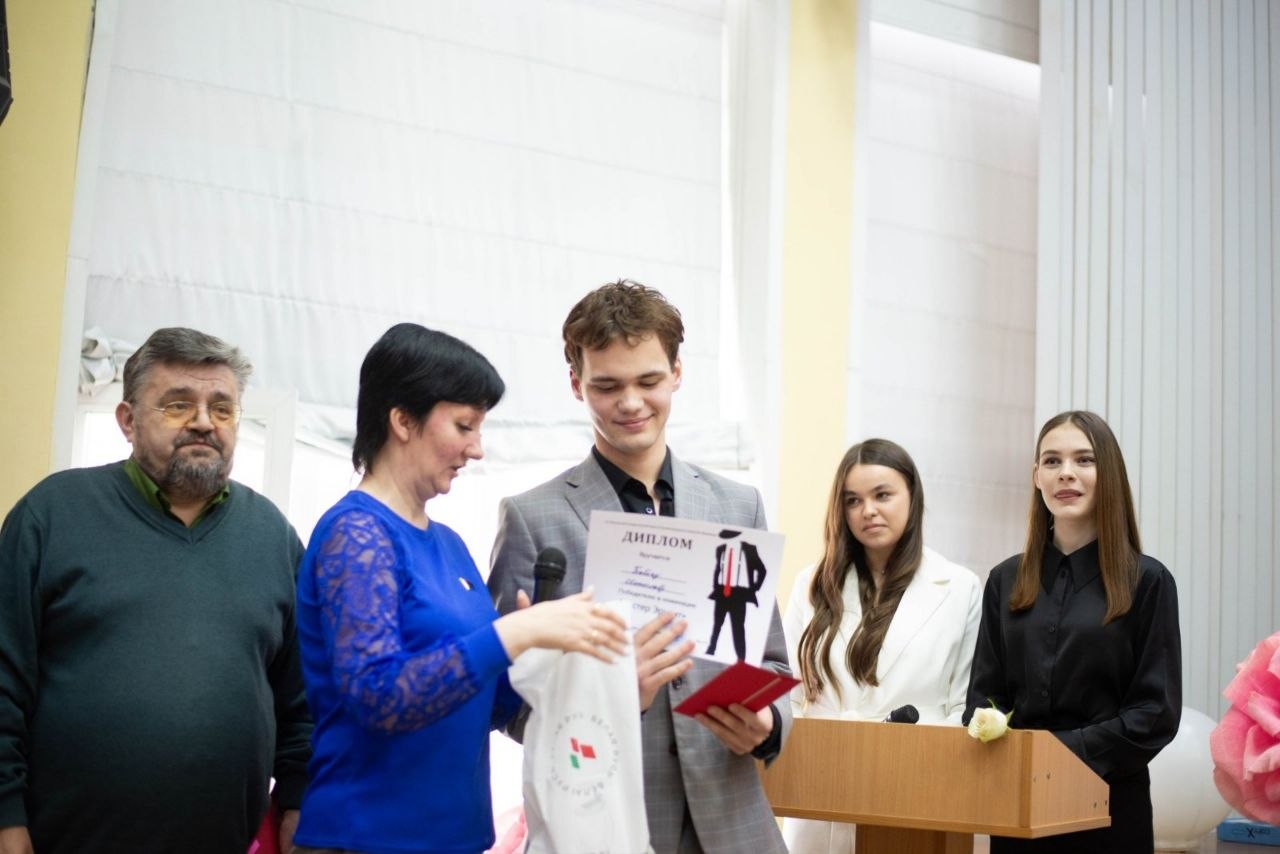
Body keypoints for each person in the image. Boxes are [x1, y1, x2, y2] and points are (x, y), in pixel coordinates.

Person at [290, 323, 626, 854]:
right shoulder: (356, 534)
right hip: (367, 839)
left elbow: (482, 706)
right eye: (464, 426)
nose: (477, 449)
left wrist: (537, 655)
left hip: (457, 838)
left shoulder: (448, 544)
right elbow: (379, 696)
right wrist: (512, 634)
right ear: (403, 419)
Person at [488, 280, 793, 854]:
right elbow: (507, 706)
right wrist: (608, 696)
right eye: (607, 386)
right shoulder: (533, 520)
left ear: (677, 372)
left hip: (736, 830)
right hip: (609, 829)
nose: (631, 403)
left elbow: (773, 663)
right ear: (576, 384)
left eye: (649, 381)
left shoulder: (739, 506)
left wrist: (769, 725)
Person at [0, 327, 313, 854]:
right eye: (177, 405)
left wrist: (299, 801)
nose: (203, 422)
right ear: (127, 420)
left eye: (222, 408)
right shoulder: (52, 515)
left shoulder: (272, 536)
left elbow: (300, 698)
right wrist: (6, 820)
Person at [965, 410, 1182, 853]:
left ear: (1109, 473)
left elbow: (1154, 712)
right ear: (1036, 477)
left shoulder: (1148, 581)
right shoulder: (1004, 581)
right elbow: (984, 699)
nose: (1066, 473)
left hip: (1110, 808)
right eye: (1052, 461)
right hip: (1018, 809)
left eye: (1084, 460)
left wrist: (1060, 752)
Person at [783, 438, 981, 853]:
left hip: (915, 789)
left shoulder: (960, 587)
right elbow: (787, 694)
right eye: (853, 500)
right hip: (823, 788)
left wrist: (894, 758)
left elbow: (963, 707)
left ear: (912, 496)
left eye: (882, 495)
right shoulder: (813, 584)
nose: (868, 510)